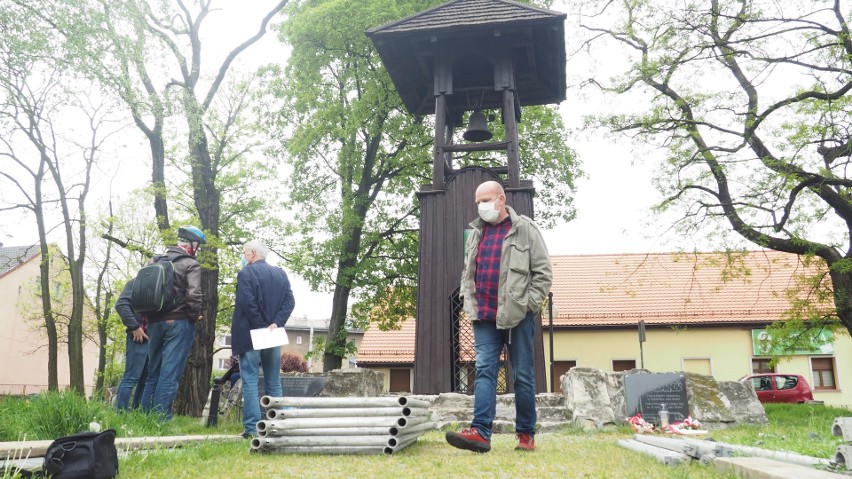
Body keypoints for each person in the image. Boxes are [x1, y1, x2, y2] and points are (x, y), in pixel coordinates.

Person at [446, 180, 552, 453]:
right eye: (478, 202)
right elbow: (469, 271)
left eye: (486, 200)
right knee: (484, 372)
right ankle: (480, 432)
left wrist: (528, 305)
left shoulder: (525, 229)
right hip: (484, 315)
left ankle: (526, 435)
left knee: (523, 376)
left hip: (518, 315)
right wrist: (469, 299)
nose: (482, 206)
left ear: (501, 199)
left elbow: (543, 274)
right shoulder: (476, 232)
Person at [231, 239, 295, 438]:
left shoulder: (246, 273)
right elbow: (289, 301)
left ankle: (252, 429)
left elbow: (247, 303)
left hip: (251, 335)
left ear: (251, 253)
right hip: (272, 335)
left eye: (244, 252)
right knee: (274, 381)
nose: (243, 256)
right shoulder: (280, 273)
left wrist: (261, 326)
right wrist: (276, 323)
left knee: (250, 380)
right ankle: (276, 426)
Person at [141, 225, 205, 420]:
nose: (198, 249)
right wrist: (192, 318)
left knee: (153, 373)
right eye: (198, 245)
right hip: (178, 322)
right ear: (192, 244)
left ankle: (144, 419)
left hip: (154, 323)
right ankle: (161, 421)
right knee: (170, 374)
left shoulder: (156, 260)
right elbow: (194, 296)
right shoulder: (190, 264)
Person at [114, 277, 149, 410]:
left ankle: (137, 414)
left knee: (146, 379)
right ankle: (120, 413)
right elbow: (121, 304)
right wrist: (135, 327)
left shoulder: (162, 285)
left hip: (153, 337)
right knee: (131, 377)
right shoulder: (136, 283)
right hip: (138, 337)